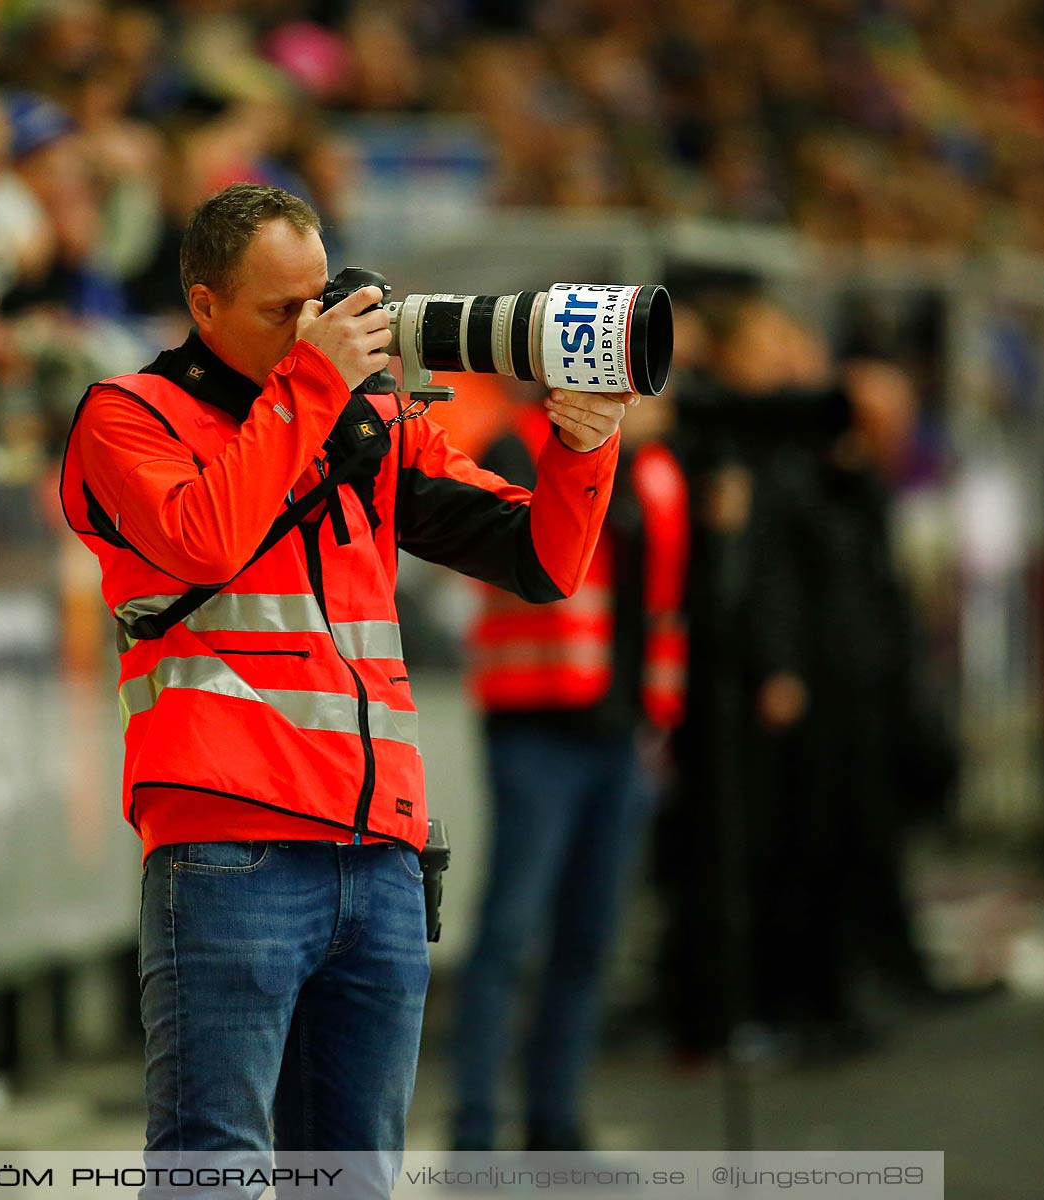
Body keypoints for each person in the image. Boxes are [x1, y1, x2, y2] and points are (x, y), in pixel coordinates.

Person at [58, 183, 635, 1180]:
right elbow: (204, 539)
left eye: (320, 299)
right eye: (281, 310)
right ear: (203, 307)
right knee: (214, 1166)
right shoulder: (127, 418)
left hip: (379, 855)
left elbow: (540, 561)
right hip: (226, 846)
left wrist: (580, 448)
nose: (313, 327)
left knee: (355, 1172)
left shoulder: (363, 420)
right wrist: (313, 389)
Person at [450, 389, 684, 1151]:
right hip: (536, 724)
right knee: (510, 933)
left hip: (621, 732)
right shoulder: (516, 446)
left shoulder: (656, 473)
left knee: (588, 936)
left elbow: (663, 602)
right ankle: (476, 1125)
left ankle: (555, 1120)